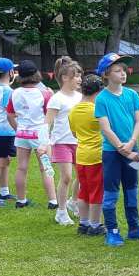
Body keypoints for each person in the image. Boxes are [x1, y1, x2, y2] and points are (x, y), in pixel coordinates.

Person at [94, 52, 139, 246]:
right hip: (112, 153)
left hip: (132, 147)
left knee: (132, 190)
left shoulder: (132, 95)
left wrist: (131, 143)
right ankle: (112, 231)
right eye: (117, 70)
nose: (123, 73)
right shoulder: (102, 99)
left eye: (124, 70)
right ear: (106, 74)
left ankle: (135, 228)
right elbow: (105, 128)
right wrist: (122, 148)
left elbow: (138, 121)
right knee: (111, 193)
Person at [6, 60, 56, 209]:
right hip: (40, 135)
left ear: (19, 76)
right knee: (45, 167)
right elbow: (50, 115)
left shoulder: (14, 93)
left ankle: (21, 200)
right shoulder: (45, 94)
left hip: (22, 134)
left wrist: (18, 129)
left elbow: (10, 115)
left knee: (21, 168)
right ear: (36, 74)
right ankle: (53, 200)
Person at [46, 57, 83, 225]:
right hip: (61, 142)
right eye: (76, 76)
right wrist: (45, 143)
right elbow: (48, 122)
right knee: (67, 176)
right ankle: (61, 212)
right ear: (65, 78)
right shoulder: (57, 98)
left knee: (82, 176)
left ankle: (73, 202)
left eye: (80, 76)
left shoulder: (81, 97)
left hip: (80, 142)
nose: (80, 79)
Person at [68, 74, 106, 236]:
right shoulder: (96, 110)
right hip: (96, 156)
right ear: (98, 92)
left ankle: (83, 223)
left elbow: (74, 133)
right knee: (97, 192)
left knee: (83, 190)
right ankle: (95, 224)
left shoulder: (74, 110)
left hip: (81, 155)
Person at [0, 58, 17, 206]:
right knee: (0, 162)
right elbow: (11, 112)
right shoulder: (9, 92)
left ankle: (4, 191)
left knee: (6, 160)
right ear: (10, 72)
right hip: (4, 131)